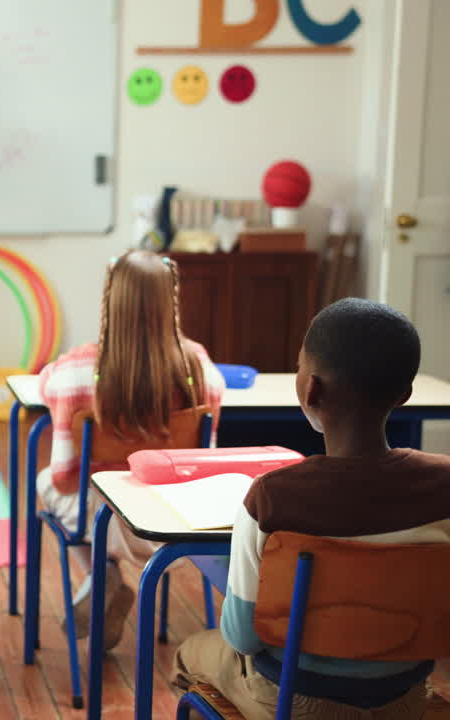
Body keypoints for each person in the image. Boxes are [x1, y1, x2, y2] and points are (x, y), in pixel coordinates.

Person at [175, 298, 450, 719]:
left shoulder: (270, 498)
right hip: (406, 699)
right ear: (404, 395)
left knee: (189, 654)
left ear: (310, 388)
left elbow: (243, 637)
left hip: (294, 700)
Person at [37, 250, 225, 646]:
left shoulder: (75, 370)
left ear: (110, 299)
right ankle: (101, 576)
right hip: (172, 521)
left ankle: (98, 573)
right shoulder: (200, 368)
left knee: (45, 483)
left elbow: (65, 478)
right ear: (170, 299)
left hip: (103, 521)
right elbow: (203, 465)